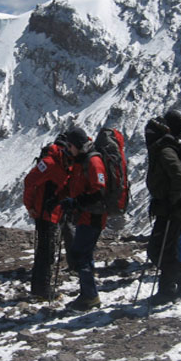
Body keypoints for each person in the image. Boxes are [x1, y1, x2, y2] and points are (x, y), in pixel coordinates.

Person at [57, 127, 107, 310]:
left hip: (93, 216)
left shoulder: (93, 162)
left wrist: (76, 202)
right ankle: (88, 292)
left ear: (77, 145)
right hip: (85, 215)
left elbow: (98, 192)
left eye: (70, 145)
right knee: (83, 253)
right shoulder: (82, 160)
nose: (68, 149)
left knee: (80, 253)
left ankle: (90, 295)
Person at [144, 116, 181, 305]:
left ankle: (178, 282)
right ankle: (169, 287)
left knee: (159, 250)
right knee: (163, 250)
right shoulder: (163, 149)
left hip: (172, 209)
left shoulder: (165, 151)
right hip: (168, 207)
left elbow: (179, 177)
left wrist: (172, 200)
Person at [22, 137, 72, 301]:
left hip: (54, 212)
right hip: (44, 213)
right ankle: (42, 290)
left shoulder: (63, 162)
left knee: (47, 250)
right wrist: (30, 207)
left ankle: (41, 288)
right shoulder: (50, 163)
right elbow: (30, 180)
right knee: (46, 251)